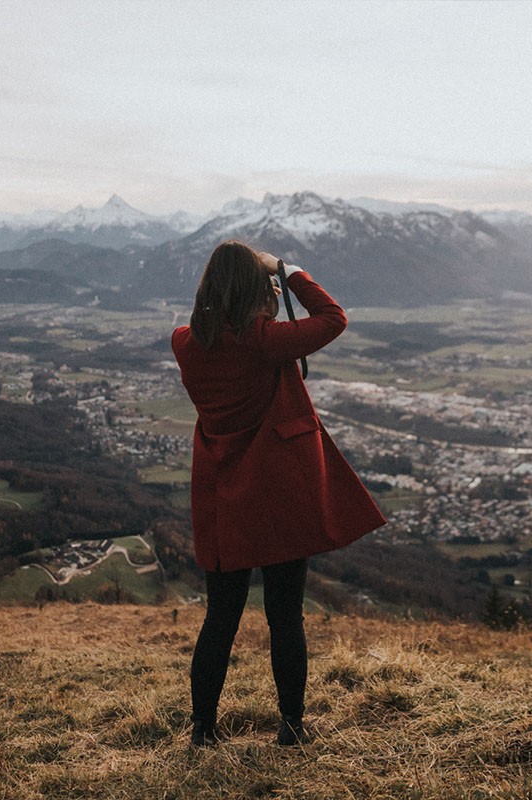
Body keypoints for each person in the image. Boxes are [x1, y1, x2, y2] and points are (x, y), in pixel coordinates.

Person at [170, 240, 386, 747]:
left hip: (222, 496)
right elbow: (333, 317)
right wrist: (287, 271)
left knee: (220, 616)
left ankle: (203, 730)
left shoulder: (184, 342)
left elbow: (207, 328)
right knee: (284, 613)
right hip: (276, 494)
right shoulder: (264, 340)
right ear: (254, 291)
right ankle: (291, 726)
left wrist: (232, 292)